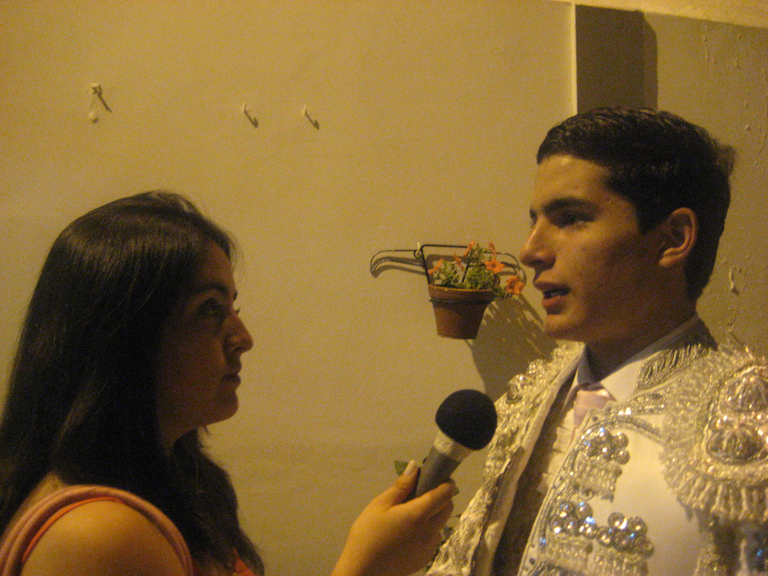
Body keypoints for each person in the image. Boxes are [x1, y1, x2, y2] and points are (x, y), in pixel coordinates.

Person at [0, 191, 455, 576]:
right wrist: (365, 568)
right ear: (125, 335)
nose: (244, 338)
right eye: (209, 309)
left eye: (233, 306)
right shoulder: (99, 537)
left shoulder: (177, 479)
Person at [426, 107, 768, 576]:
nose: (530, 250)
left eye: (570, 218)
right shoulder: (538, 393)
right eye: (535, 221)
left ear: (673, 238)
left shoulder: (746, 424)